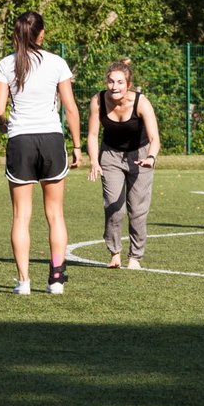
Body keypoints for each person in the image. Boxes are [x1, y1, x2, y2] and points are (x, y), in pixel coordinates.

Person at [0, 11, 82, 295]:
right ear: (41, 34)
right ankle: (56, 280)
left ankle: (24, 282)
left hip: (21, 141)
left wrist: (7, 125)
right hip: (52, 140)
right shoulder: (56, 62)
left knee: (21, 216)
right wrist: (78, 146)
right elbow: (70, 108)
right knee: (55, 214)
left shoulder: (6, 64)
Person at [87, 59, 161, 269]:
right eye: (111, 82)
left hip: (140, 155)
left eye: (120, 82)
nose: (114, 87)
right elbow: (92, 135)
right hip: (110, 155)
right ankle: (114, 253)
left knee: (137, 209)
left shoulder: (141, 102)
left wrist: (151, 158)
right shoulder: (99, 100)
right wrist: (94, 161)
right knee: (113, 207)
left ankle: (135, 257)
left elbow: (155, 138)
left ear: (128, 85)